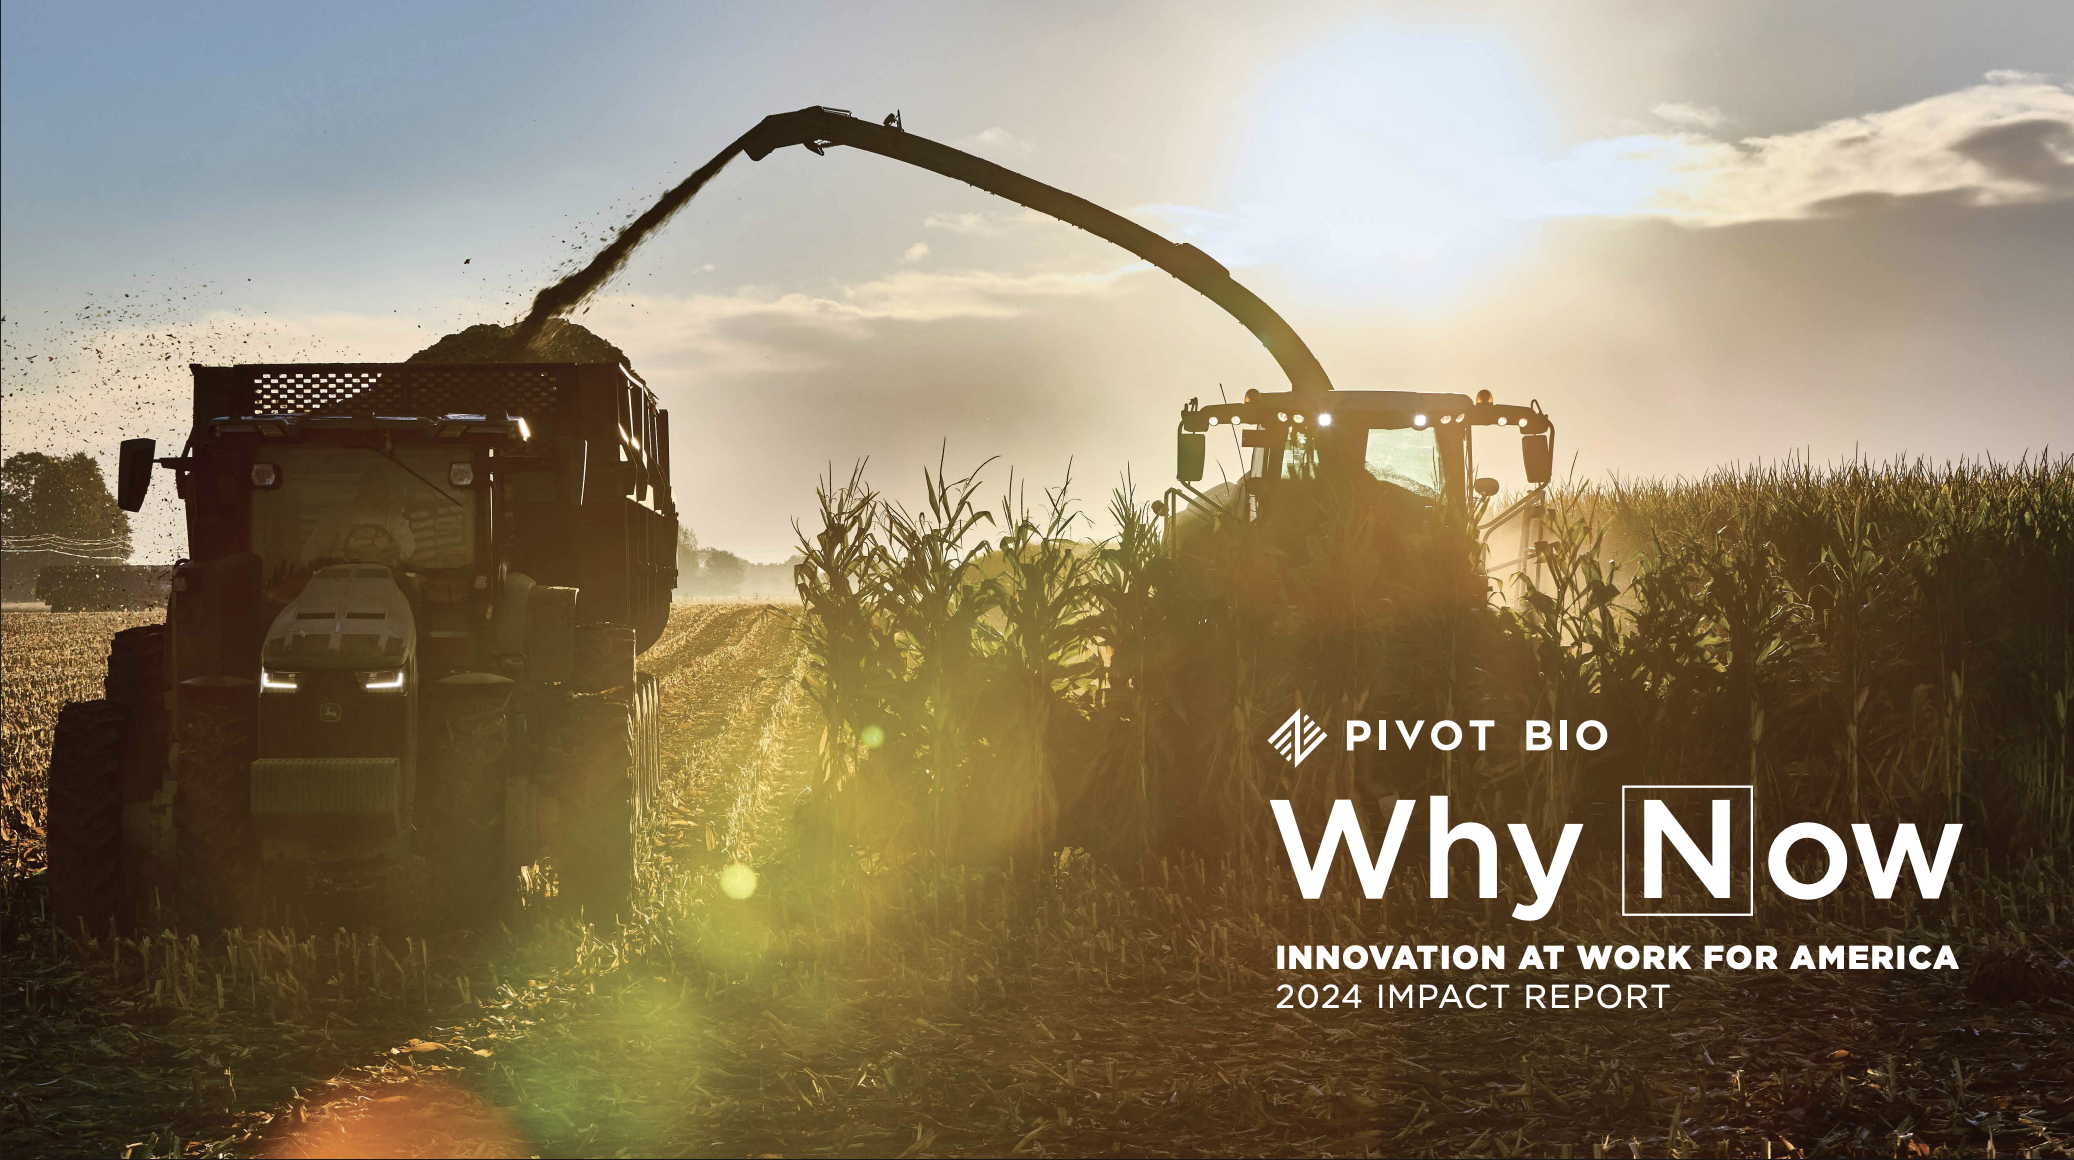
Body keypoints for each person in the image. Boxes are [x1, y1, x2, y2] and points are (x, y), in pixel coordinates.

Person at [301, 467, 417, 568]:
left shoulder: (393, 516)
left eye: (381, 491)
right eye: (372, 490)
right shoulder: (338, 514)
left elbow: (408, 544)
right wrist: (315, 563)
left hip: (386, 575)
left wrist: (396, 549)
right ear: (362, 490)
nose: (377, 495)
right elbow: (316, 547)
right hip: (342, 577)